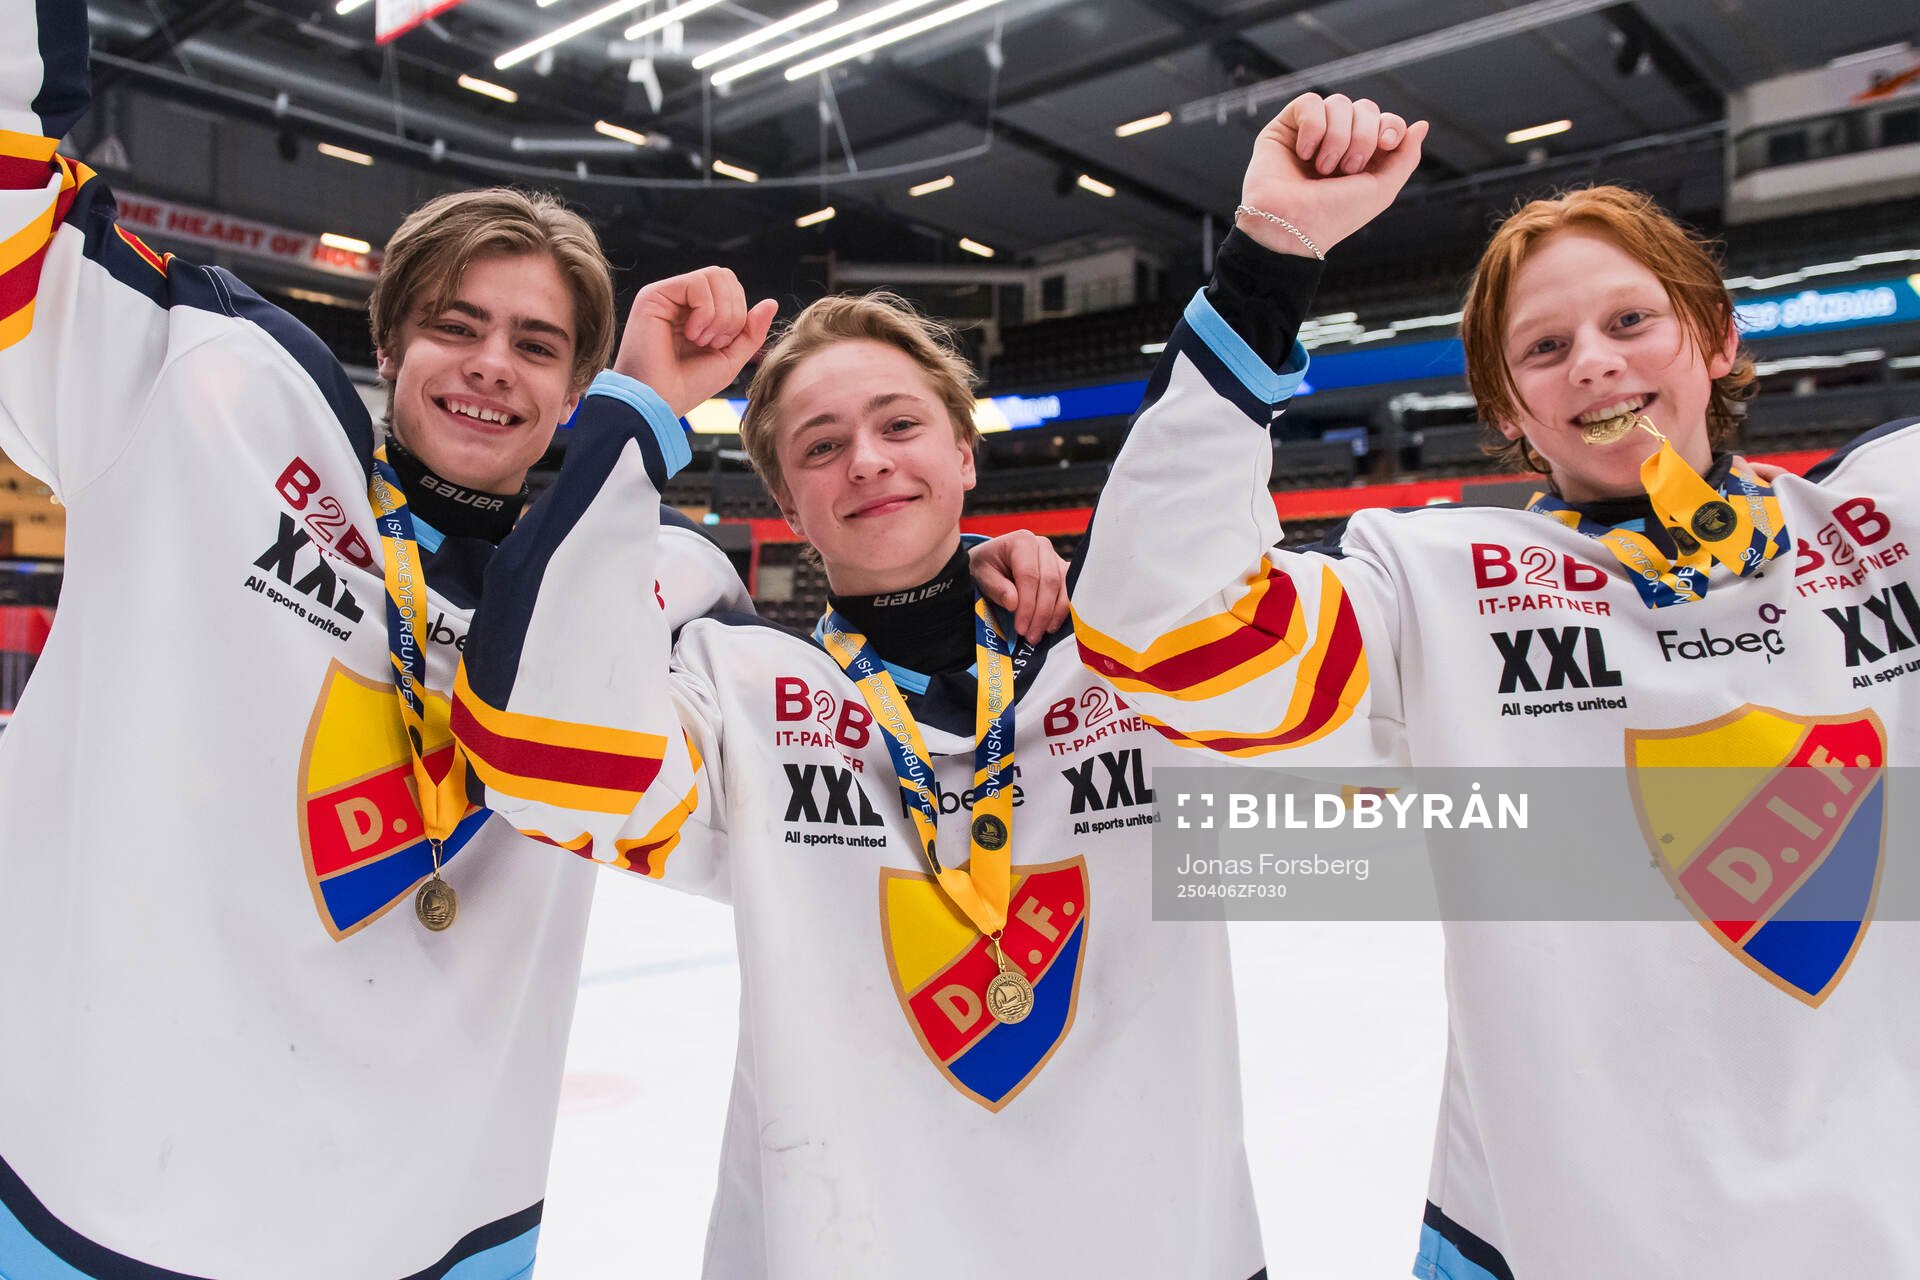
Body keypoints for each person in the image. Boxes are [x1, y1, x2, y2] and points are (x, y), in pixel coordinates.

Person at [0, 6, 1067, 1275]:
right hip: (100, 1200)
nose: (491, 365)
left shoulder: (655, 583)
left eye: (538, 345)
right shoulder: (202, 395)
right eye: (457, 325)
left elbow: (859, 757)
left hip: (447, 1228)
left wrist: (981, 595)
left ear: (577, 394)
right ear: (387, 339)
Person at [1072, 90, 1920, 1276]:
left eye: (1634, 318)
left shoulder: (1887, 515)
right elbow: (1159, 624)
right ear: (1510, 411)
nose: (1597, 361)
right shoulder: (1439, 584)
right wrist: (1271, 259)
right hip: (1556, 1236)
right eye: (1545, 348)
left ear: (1715, 337)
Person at [466, 287, 1268, 1279]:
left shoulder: (1127, 671)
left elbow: (1407, 836)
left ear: (965, 454)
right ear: (787, 507)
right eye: (820, 445)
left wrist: (1266, 268)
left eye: (900, 424)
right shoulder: (744, 701)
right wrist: (637, 404)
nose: (870, 460)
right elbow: (531, 743)